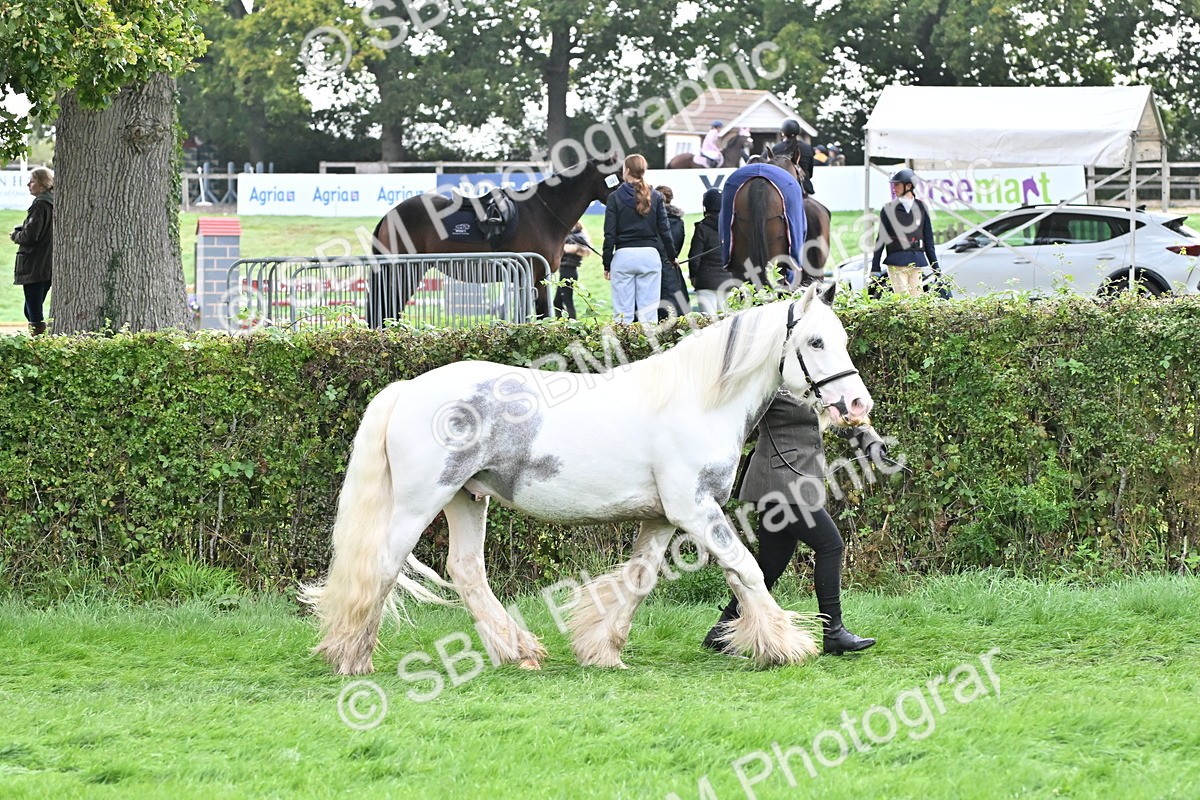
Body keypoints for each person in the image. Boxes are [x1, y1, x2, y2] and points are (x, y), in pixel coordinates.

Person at [703, 388, 888, 656]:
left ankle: (721, 633)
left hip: (797, 482)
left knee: (771, 565)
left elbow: (840, 412)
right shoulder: (768, 384)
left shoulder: (813, 383)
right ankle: (833, 631)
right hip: (778, 483)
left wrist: (869, 439)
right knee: (830, 545)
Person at [603, 154, 676, 324]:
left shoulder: (614, 197)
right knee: (649, 316)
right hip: (650, 257)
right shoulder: (656, 196)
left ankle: (622, 348)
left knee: (622, 316)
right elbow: (665, 231)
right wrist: (672, 257)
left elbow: (609, 235)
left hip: (623, 257)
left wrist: (607, 263)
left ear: (627, 170)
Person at [871, 168, 938, 297]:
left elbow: (928, 238)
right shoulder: (888, 209)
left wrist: (935, 265)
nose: (893, 188)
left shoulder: (922, 207)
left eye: (897, 184)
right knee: (904, 301)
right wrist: (875, 267)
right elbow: (881, 238)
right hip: (897, 261)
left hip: (916, 260)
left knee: (917, 301)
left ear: (908, 186)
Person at [11, 166, 54, 335]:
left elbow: (30, 236)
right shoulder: (52, 202)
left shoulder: (40, 205)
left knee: (33, 311)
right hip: (47, 263)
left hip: (35, 263)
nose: (29, 184)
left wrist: (15, 235)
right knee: (31, 309)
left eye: (33, 181)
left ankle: (40, 346)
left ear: (42, 184)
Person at [688, 188, 735, 316]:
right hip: (728, 281)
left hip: (706, 282)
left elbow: (694, 257)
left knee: (708, 324)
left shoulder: (702, 228)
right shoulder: (731, 228)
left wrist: (693, 276)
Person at [654, 185, 689, 319]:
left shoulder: (653, 221)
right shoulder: (679, 222)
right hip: (673, 268)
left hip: (656, 269)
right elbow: (677, 246)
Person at [555, 222, 589, 319]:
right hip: (567, 271)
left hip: (568, 271)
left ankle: (572, 323)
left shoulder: (573, 237)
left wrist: (573, 249)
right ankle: (564, 323)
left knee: (566, 301)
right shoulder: (575, 235)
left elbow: (581, 249)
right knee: (558, 302)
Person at [772, 119, 815, 195]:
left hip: (781, 187)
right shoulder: (807, 148)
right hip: (803, 187)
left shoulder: (776, 149)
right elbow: (810, 173)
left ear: (783, 133)